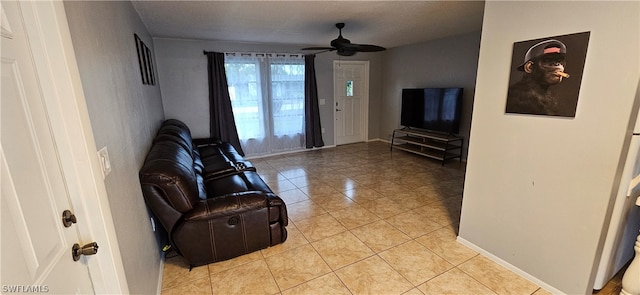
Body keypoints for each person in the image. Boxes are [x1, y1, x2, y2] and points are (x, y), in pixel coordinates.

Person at [506, 39, 570, 115]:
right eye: (548, 61)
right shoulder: (520, 97)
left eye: (559, 61)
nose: (558, 67)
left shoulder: (544, 95)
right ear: (529, 67)